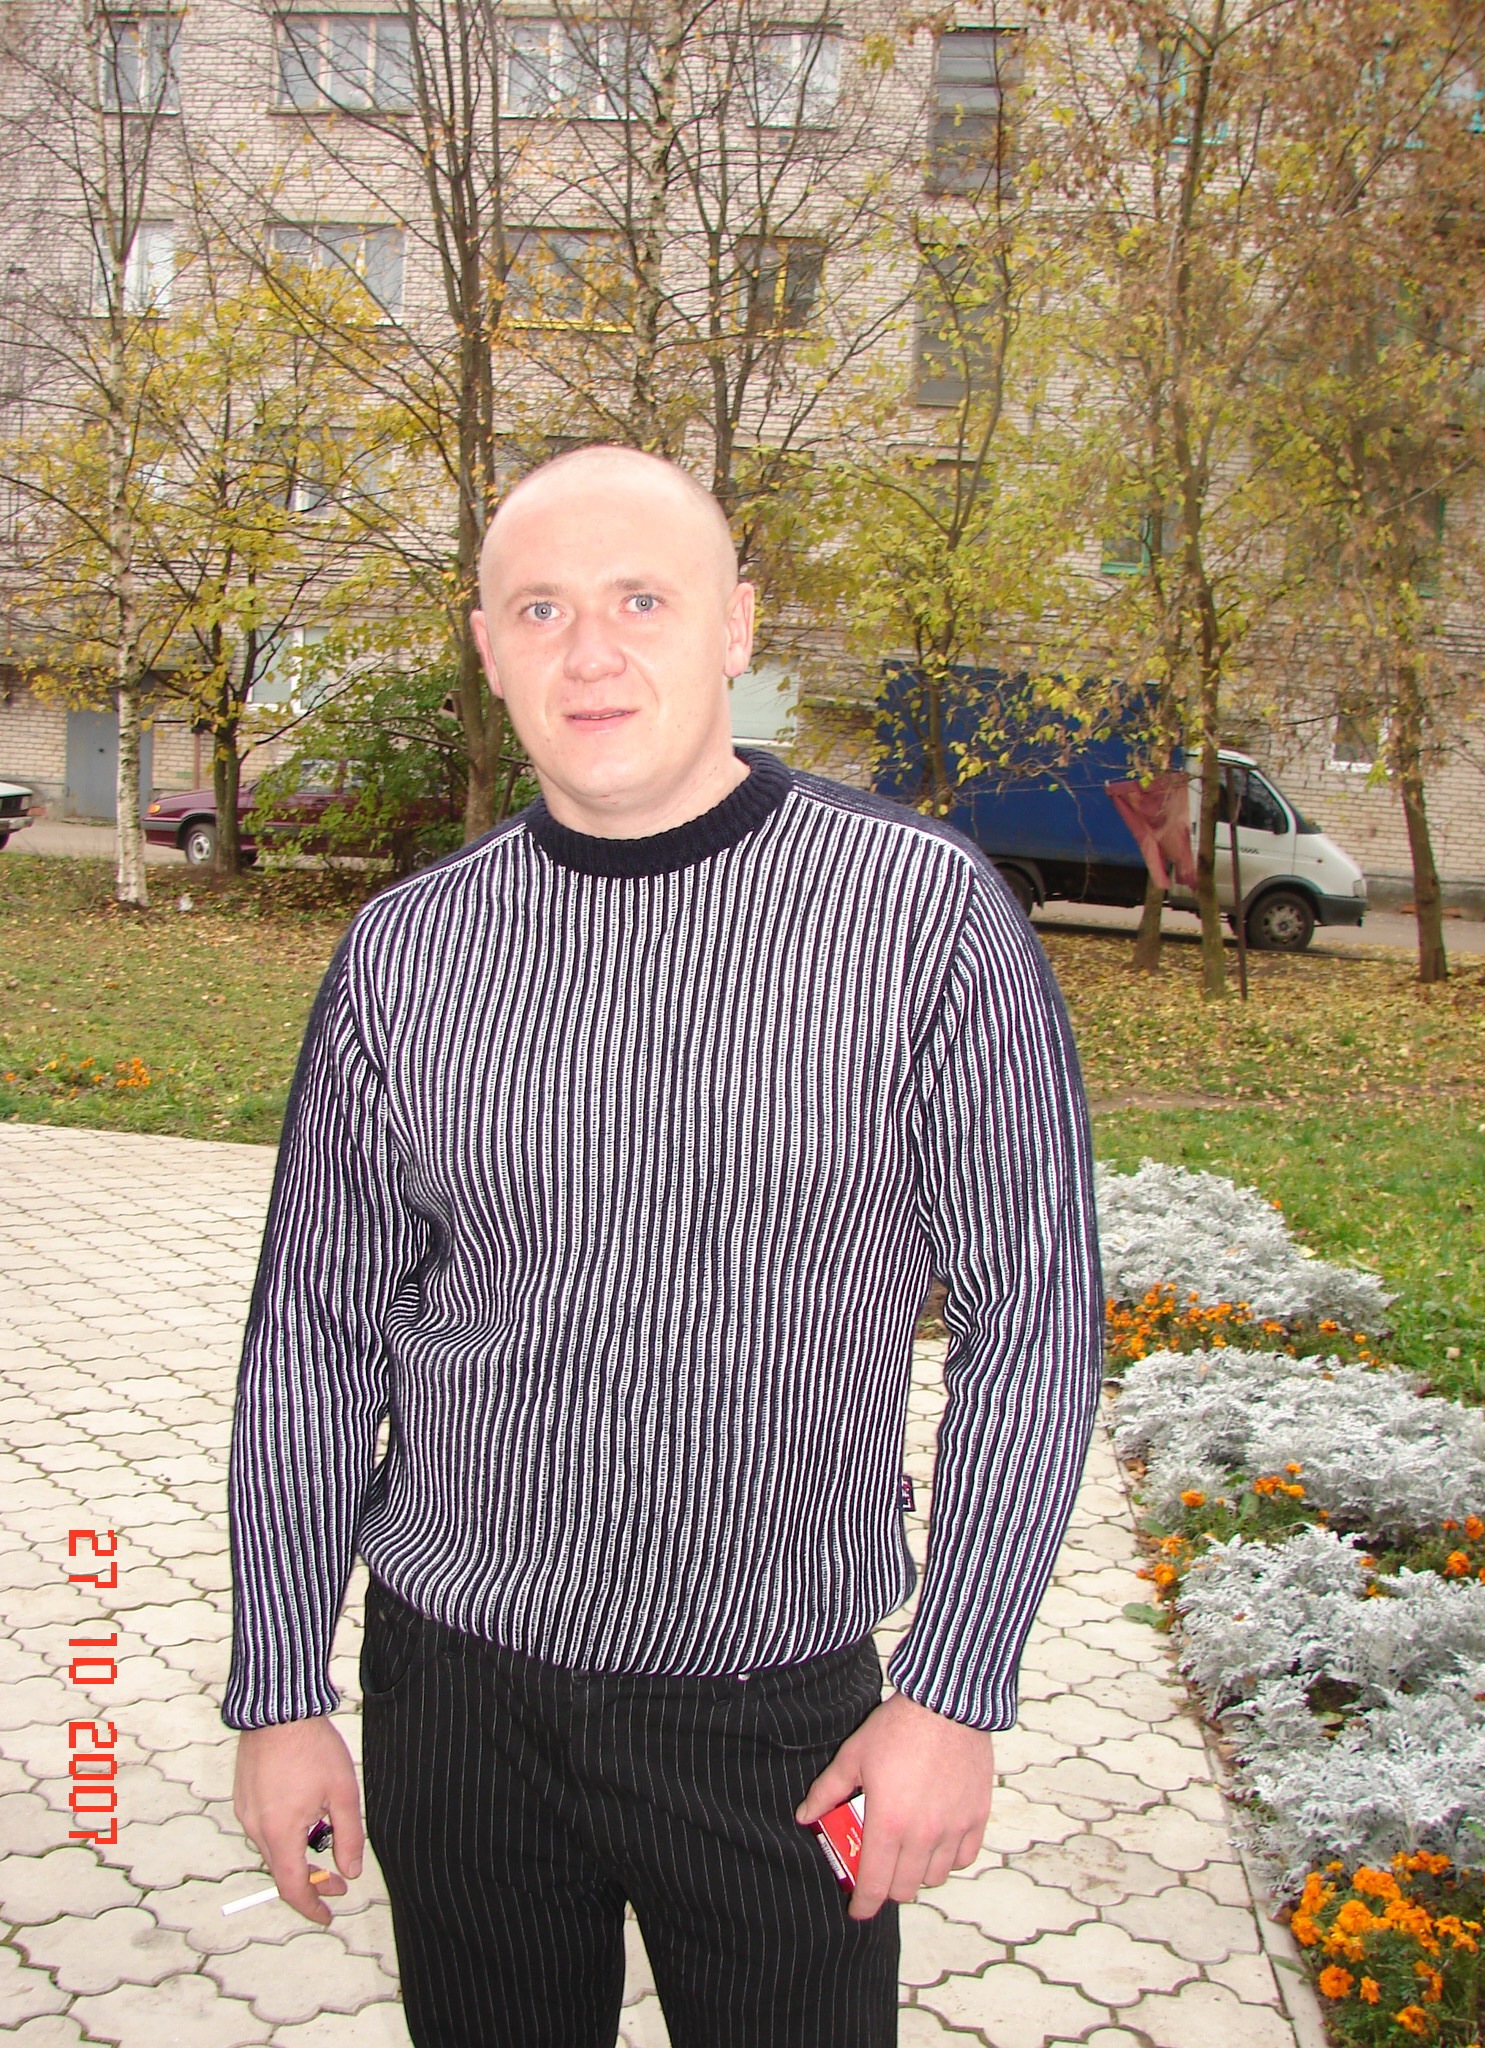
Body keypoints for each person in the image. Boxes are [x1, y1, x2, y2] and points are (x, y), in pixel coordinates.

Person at [224, 445, 1102, 2048]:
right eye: (540, 609)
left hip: (782, 1725)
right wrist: (282, 1692)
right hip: (458, 1701)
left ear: (736, 626)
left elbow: (1035, 1324)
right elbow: (313, 1339)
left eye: (642, 599)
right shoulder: (406, 952)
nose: (591, 653)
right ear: (487, 649)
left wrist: (955, 1690)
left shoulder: (921, 919)